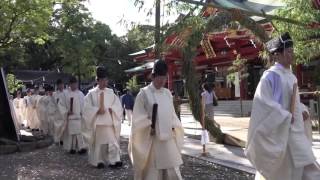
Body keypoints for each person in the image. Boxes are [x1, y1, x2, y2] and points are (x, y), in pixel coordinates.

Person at [245, 32, 320, 180]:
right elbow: (264, 104)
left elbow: (294, 102)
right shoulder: (270, 76)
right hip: (282, 132)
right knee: (285, 171)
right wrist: (285, 116)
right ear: (277, 55)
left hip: (295, 130)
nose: (292, 55)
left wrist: (302, 111)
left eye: (293, 51)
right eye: (289, 52)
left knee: (308, 169)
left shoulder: (291, 76)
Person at [129, 60, 184, 180]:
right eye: (160, 78)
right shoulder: (143, 94)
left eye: (164, 78)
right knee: (153, 171)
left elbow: (172, 114)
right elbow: (138, 118)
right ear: (153, 76)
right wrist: (150, 126)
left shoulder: (167, 93)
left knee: (172, 169)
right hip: (152, 138)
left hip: (168, 137)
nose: (162, 81)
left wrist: (174, 125)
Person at [82, 66, 123, 169]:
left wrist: (111, 109)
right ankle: (98, 161)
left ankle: (115, 160)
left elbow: (117, 105)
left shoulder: (110, 92)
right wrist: (96, 110)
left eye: (106, 80)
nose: (105, 82)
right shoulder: (91, 94)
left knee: (112, 142)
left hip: (109, 121)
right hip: (98, 123)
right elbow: (86, 109)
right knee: (99, 144)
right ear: (98, 80)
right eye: (102, 80)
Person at [58, 77, 87, 154]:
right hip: (70, 117)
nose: (74, 85)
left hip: (79, 117)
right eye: (73, 84)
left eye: (75, 83)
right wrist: (67, 112)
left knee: (79, 133)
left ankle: (81, 148)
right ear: (70, 84)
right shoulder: (65, 93)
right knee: (71, 134)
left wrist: (82, 112)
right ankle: (72, 148)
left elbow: (84, 105)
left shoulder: (80, 94)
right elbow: (61, 105)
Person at [53, 79, 67, 144]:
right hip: (58, 113)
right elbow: (54, 103)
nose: (61, 86)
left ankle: (63, 139)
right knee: (58, 126)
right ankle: (58, 138)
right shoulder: (55, 94)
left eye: (62, 84)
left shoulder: (66, 92)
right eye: (59, 85)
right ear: (57, 86)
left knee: (65, 126)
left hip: (65, 112)